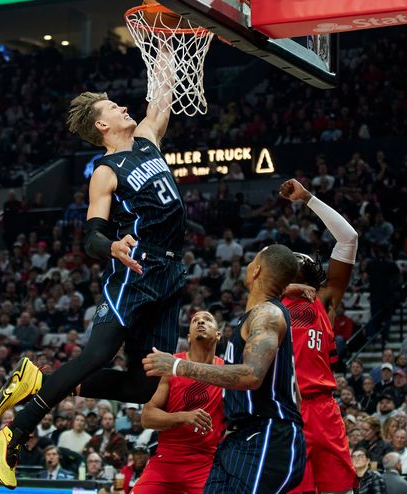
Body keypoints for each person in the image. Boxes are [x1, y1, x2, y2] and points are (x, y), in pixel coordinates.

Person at [0, 70, 187, 488]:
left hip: (171, 274)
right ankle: (14, 433)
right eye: (114, 107)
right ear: (102, 125)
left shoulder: (149, 138)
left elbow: (162, 99)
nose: (124, 107)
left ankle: (40, 380)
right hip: (135, 271)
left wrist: (169, 47)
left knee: (141, 386)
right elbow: (92, 234)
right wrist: (112, 246)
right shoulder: (105, 170)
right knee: (96, 355)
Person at [143, 244, 305, 493]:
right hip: (239, 438)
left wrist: (177, 365)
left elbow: (251, 375)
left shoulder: (267, 315)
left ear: (256, 271)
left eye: (252, 261)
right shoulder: (258, 316)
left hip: (266, 434)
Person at [278, 178, 359, 494]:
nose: (298, 256)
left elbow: (348, 238)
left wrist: (308, 198)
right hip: (286, 411)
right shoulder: (268, 304)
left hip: (322, 408)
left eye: (303, 256)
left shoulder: (324, 301)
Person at [133, 311, 226, 493]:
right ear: (189, 337)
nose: (200, 321)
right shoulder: (171, 364)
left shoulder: (227, 371)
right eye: (195, 320)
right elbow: (147, 417)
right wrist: (184, 417)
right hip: (167, 457)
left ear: (218, 334)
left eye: (207, 319)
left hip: (206, 461)